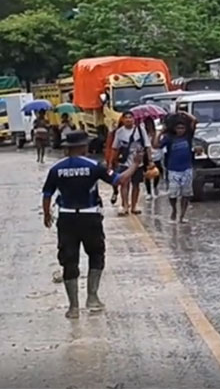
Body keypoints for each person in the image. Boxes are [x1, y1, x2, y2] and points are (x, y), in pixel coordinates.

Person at [42, 130, 139, 318]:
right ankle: (92, 298)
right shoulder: (94, 166)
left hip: (66, 218)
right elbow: (120, 180)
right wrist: (134, 165)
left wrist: (47, 214)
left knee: (69, 260)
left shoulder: (56, 169)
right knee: (96, 254)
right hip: (90, 218)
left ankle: (73, 307)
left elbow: (47, 194)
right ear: (83, 147)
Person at [160, 111, 198, 223]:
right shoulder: (169, 138)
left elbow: (195, 120)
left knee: (186, 194)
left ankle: (182, 214)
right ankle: (174, 210)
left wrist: (183, 113)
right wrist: (160, 134)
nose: (180, 130)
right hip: (173, 170)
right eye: (178, 128)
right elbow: (156, 145)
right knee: (172, 194)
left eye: (182, 128)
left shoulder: (188, 137)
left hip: (187, 169)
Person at [110, 113, 150, 216]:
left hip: (138, 162)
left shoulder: (141, 130)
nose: (128, 120)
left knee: (136, 184)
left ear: (133, 119)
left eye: (130, 117)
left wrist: (150, 161)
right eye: (126, 118)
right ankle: (125, 205)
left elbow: (147, 146)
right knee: (124, 184)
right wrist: (111, 162)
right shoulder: (119, 132)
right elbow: (115, 148)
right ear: (122, 120)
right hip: (124, 162)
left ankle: (134, 205)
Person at [143, 118, 163, 200]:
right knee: (147, 174)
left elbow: (158, 144)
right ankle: (149, 192)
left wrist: (156, 136)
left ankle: (155, 187)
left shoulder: (157, 133)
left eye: (150, 123)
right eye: (147, 124)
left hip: (157, 155)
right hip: (146, 156)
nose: (149, 125)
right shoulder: (143, 134)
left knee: (157, 172)